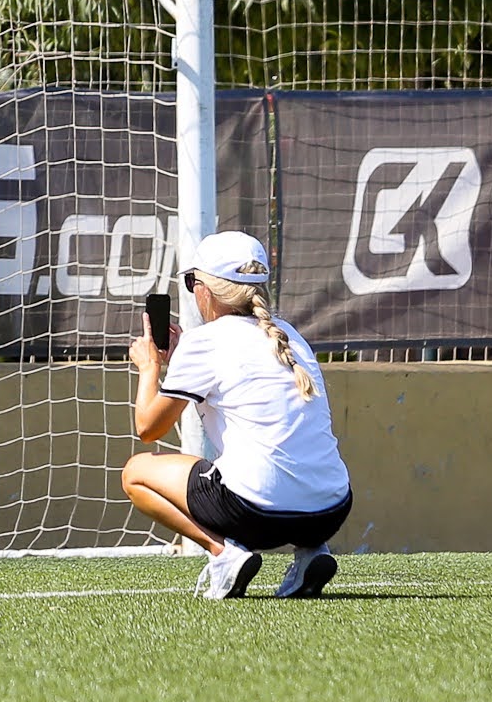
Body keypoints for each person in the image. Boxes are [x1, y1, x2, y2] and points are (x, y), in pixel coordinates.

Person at [122, 231, 356, 601]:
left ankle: (224, 554)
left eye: (192, 282)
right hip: (331, 510)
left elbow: (148, 428)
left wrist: (150, 367)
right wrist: (181, 360)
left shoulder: (205, 341)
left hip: (255, 514)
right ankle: (312, 553)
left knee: (135, 473)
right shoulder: (290, 336)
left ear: (206, 290)